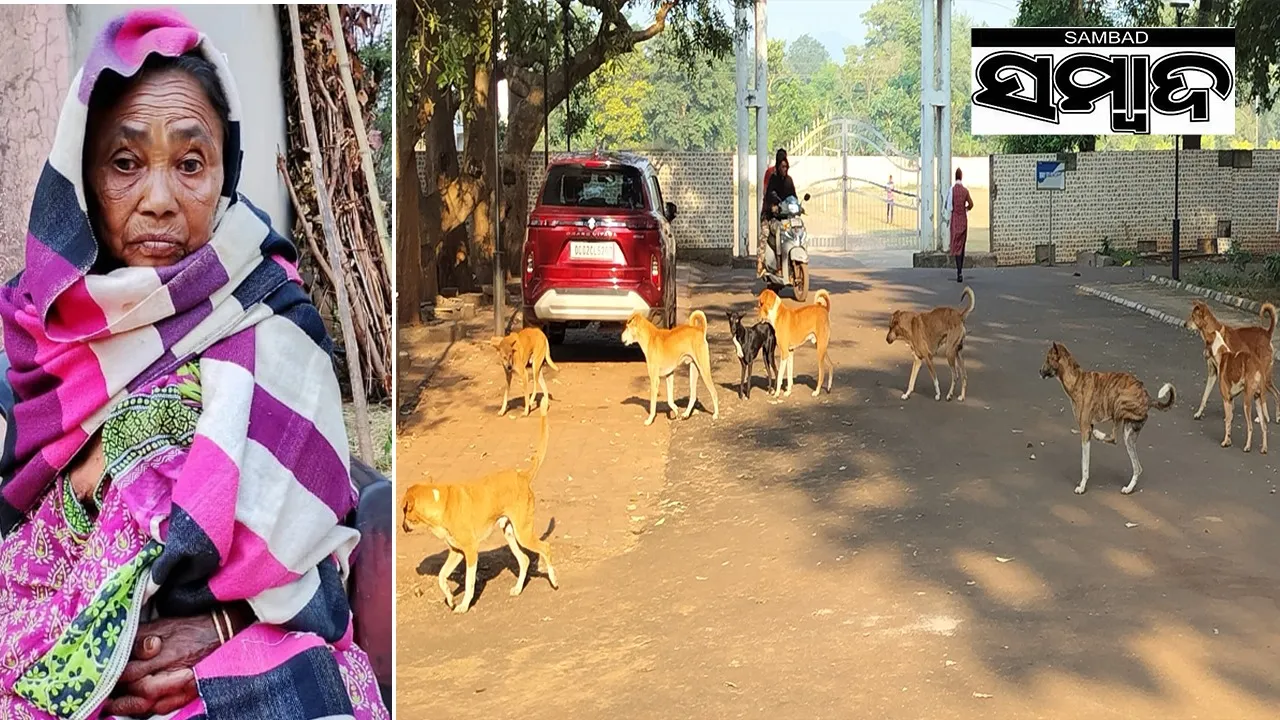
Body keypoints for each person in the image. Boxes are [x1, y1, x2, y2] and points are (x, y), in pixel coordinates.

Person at [0, 11, 387, 719]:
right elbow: (23, 546)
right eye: (124, 163)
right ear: (84, 178)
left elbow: (316, 540)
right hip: (51, 633)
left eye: (189, 163)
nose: (158, 200)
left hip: (254, 638)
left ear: (222, 173)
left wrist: (218, 628)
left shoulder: (274, 317)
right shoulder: (43, 334)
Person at [760, 155, 798, 278]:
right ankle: (769, 265)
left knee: (796, 230)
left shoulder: (789, 180)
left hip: (786, 216)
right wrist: (773, 206)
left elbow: (793, 195)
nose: (785, 169)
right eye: (782, 166)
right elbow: (768, 193)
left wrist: (798, 206)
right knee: (770, 234)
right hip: (772, 215)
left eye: (786, 166)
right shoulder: (772, 178)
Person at [947, 167, 975, 283]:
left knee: (956, 245)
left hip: (955, 220)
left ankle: (958, 270)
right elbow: (971, 204)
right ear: (961, 177)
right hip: (963, 220)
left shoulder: (952, 190)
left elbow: (949, 206)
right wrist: (965, 209)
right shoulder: (965, 191)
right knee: (962, 246)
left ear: (955, 177)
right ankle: (960, 271)